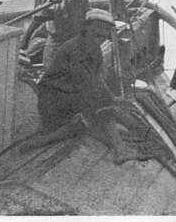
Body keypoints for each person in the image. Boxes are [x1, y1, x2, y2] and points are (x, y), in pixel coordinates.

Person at [21, 9, 149, 165]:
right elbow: (86, 86)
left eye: (103, 34)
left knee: (103, 108)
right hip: (53, 101)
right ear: (87, 28)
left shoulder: (94, 50)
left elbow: (97, 79)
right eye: (97, 32)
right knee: (102, 105)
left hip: (69, 96)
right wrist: (109, 105)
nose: (101, 37)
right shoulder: (75, 49)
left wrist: (113, 99)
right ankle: (120, 150)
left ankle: (127, 137)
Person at [38, 0, 89, 70]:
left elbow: (85, 21)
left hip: (73, 44)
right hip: (57, 45)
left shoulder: (82, 0)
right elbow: (39, 18)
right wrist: (25, 40)